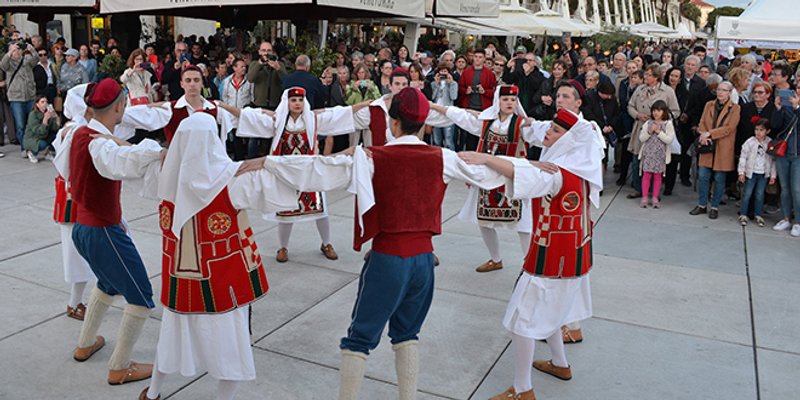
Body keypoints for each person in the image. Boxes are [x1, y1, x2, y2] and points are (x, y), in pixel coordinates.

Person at [136, 112, 345, 400]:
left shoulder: (164, 175)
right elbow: (294, 177)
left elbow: (127, 155)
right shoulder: (234, 179)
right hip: (224, 283)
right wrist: (267, 161)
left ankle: (153, 392)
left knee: (171, 339)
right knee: (230, 351)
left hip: (181, 283)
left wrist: (161, 153)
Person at [321, 87, 506, 400]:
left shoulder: (373, 157)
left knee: (359, 338)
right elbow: (491, 176)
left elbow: (318, 172)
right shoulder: (443, 158)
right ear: (424, 125)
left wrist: (265, 164)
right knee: (407, 334)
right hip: (424, 262)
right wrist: (492, 157)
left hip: (387, 258)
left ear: (393, 124)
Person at [460, 107, 604, 400]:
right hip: (574, 260)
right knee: (551, 312)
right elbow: (534, 168)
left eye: (554, 131)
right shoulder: (582, 168)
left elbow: (524, 174)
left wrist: (487, 157)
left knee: (521, 320)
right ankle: (560, 364)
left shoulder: (556, 175)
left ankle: (522, 389)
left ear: (568, 140)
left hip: (550, 260)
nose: (547, 134)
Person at [69, 78, 165, 385]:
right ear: (120, 107)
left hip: (83, 229)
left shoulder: (80, 132)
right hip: (103, 232)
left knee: (108, 285)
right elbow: (125, 162)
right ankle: (120, 366)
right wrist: (156, 151)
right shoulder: (99, 143)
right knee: (141, 296)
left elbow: (114, 149)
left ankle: (85, 344)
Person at [223, 87, 365, 262]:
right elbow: (247, 116)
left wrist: (366, 104)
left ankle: (326, 243)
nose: (297, 103)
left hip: (310, 173)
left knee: (320, 210)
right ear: (287, 102)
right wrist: (223, 106)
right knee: (285, 210)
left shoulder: (313, 119)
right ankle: (283, 247)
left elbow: (341, 113)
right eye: (293, 100)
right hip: (285, 174)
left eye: (300, 100)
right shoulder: (277, 121)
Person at [431, 85, 533, 273]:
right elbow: (458, 115)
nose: (509, 103)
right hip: (487, 179)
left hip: (513, 178)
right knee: (483, 220)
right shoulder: (485, 122)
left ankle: (529, 263)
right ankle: (496, 259)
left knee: (524, 222)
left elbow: (545, 133)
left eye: (512, 100)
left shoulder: (523, 125)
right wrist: (432, 105)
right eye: (505, 99)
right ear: (497, 102)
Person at [51, 84, 95, 320]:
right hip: (73, 201)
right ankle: (74, 302)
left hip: (83, 197)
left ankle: (109, 284)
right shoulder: (75, 129)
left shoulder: (78, 127)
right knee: (76, 252)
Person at [626, 64, 679, 199]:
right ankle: (638, 189)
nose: (645, 77)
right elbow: (630, 106)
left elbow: (675, 111)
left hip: (658, 131)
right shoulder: (639, 89)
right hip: (641, 127)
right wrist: (637, 115)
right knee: (638, 158)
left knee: (656, 162)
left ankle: (654, 192)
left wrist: (661, 119)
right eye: (645, 74)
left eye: (649, 75)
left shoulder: (667, 91)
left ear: (656, 77)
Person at [690, 81, 741, 220]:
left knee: (719, 178)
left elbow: (729, 128)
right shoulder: (709, 105)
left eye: (724, 90)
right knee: (703, 176)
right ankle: (701, 204)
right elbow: (702, 122)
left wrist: (710, 133)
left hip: (723, 147)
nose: (720, 92)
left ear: (730, 93)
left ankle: (714, 206)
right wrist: (703, 133)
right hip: (707, 145)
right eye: (719, 89)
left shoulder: (735, 108)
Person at [247, 41, 288, 157]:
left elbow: (286, 80)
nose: (266, 53)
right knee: (254, 137)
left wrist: (278, 68)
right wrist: (260, 64)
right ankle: (251, 159)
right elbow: (250, 78)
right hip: (259, 105)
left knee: (273, 137)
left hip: (275, 106)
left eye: (268, 51)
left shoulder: (279, 64)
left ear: (273, 52)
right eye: (264, 50)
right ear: (259, 52)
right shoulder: (255, 64)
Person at [770, 89, 800, 237]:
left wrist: (797, 108)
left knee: (796, 189)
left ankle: (798, 222)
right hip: (783, 152)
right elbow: (775, 125)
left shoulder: (795, 107)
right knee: (785, 188)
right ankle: (786, 217)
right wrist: (778, 109)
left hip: (798, 155)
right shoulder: (787, 106)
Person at [1, 41, 38, 157]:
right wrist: (10, 52)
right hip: (16, 98)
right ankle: (24, 148)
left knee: (31, 123)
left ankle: (32, 146)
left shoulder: (26, 59)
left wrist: (32, 50)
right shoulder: (9, 63)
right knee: (20, 125)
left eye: (17, 49)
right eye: (14, 50)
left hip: (30, 95)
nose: (16, 51)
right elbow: (2, 65)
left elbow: (36, 60)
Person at [737, 118, 776, 226]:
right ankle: (743, 214)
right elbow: (743, 157)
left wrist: (773, 175)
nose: (758, 132)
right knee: (747, 193)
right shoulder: (750, 142)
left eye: (761, 130)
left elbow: (773, 160)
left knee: (759, 194)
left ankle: (758, 214)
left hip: (763, 173)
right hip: (751, 173)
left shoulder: (770, 143)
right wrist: (741, 172)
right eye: (756, 129)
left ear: (767, 131)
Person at [637, 100, 675, 208]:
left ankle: (655, 197)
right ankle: (644, 197)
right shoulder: (647, 123)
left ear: (664, 112)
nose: (656, 113)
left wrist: (659, 132)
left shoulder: (668, 124)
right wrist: (649, 132)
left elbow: (669, 140)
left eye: (659, 110)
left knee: (658, 176)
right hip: (648, 153)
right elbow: (641, 138)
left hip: (660, 155)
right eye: (654, 110)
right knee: (646, 175)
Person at [458, 49, 497, 151]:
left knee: (481, 136)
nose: (477, 59)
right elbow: (460, 88)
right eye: (476, 57)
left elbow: (494, 92)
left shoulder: (489, 74)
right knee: (468, 136)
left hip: (483, 108)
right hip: (470, 107)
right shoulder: (466, 72)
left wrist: (485, 92)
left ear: (484, 59)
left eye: (480, 57)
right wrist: (466, 91)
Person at [346, 63, 381, 147]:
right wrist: (354, 90)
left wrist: (371, 89)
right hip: (355, 115)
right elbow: (348, 101)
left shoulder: (372, 84)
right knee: (353, 143)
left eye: (363, 72)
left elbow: (378, 99)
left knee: (369, 144)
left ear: (366, 73)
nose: (361, 75)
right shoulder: (351, 84)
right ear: (356, 74)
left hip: (368, 115)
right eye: (359, 73)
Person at [23, 95, 61, 163]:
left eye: (46, 102)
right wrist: (45, 120)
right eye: (42, 102)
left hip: (44, 136)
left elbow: (55, 128)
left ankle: (48, 153)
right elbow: (39, 131)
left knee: (57, 136)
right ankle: (31, 152)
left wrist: (56, 117)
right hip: (33, 138)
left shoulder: (48, 112)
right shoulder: (33, 115)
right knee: (43, 144)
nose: (45, 104)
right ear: (37, 104)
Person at [430, 62, 458, 150]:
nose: (443, 74)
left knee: (448, 140)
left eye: (445, 72)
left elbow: (454, 97)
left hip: (447, 113)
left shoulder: (454, 84)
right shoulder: (433, 84)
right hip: (436, 113)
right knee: (436, 140)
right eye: (441, 72)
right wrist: (437, 84)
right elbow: (432, 97)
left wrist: (451, 83)